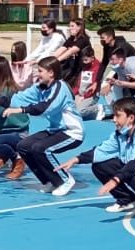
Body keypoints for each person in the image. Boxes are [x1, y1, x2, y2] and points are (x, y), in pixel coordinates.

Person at [58, 98, 135, 221]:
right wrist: (76, 159)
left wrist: (114, 181)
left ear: (131, 118)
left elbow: (134, 164)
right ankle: (127, 200)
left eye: (118, 116)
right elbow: (101, 151)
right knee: (99, 165)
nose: (114, 119)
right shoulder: (120, 134)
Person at [6, 56, 85, 194]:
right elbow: (19, 98)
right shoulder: (41, 87)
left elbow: (46, 107)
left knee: (40, 148)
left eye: (40, 71)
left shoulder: (61, 88)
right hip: (55, 130)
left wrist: (22, 110)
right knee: (23, 146)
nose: (38, 74)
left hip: (72, 132)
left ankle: (64, 180)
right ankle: (49, 181)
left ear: (51, 73)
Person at [53, 18, 94, 92]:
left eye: (72, 26)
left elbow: (71, 51)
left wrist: (56, 60)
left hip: (81, 69)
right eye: (70, 26)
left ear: (79, 27)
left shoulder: (83, 39)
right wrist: (49, 59)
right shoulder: (71, 38)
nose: (70, 28)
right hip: (71, 67)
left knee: (67, 88)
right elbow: (62, 49)